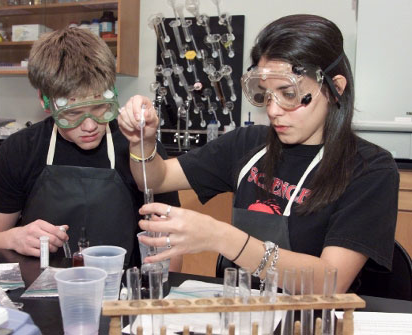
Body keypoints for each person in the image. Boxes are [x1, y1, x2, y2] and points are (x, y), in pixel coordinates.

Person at [118, 14, 399, 293]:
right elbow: (155, 179)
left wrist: (221, 238)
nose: (273, 110)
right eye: (266, 94)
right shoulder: (248, 145)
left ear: (335, 88)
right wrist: (142, 141)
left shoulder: (369, 169)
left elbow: (330, 282)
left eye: (288, 94)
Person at [0, 27, 181, 270]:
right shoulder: (20, 151)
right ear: (44, 101)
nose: (90, 126)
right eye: (73, 114)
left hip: (118, 291)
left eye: (101, 108)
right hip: (40, 290)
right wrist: (12, 237)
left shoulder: (139, 150)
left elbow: (172, 248)